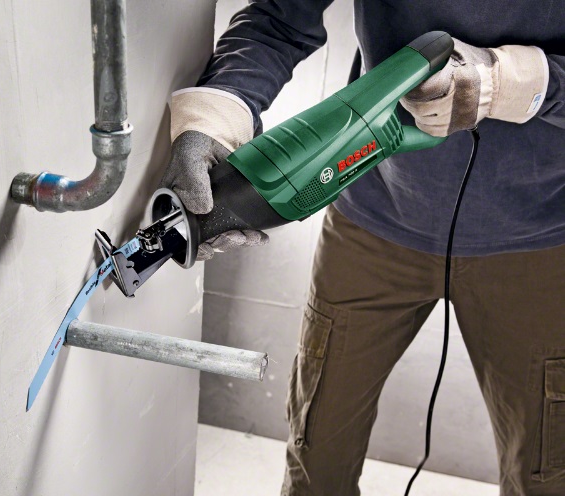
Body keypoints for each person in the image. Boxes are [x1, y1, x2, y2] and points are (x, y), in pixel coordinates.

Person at [168, 3, 565, 494]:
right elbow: (279, 18)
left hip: (539, 242)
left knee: (547, 473)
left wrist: (512, 83)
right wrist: (213, 115)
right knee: (318, 457)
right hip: (372, 221)